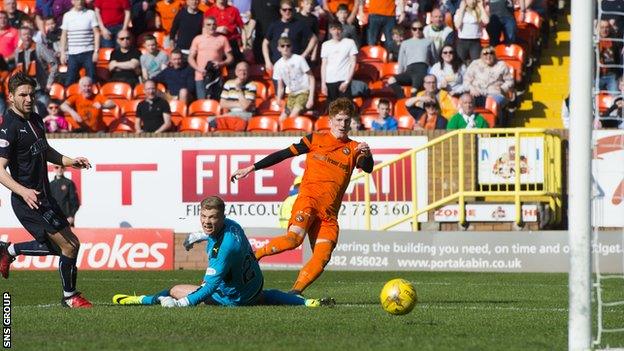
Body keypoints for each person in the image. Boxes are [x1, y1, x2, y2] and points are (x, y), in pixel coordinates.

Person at [231, 97, 374, 295]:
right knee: (293, 239)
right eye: (339, 120)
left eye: (347, 121)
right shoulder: (315, 139)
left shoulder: (354, 148)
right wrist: (252, 168)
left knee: (323, 257)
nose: (343, 125)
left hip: (329, 215)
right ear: (330, 121)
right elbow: (283, 154)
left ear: (352, 122)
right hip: (308, 201)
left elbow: (367, 169)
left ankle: (295, 292)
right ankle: (255, 255)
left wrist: (367, 155)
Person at [112, 196, 334, 307]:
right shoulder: (233, 225)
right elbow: (214, 234)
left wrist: (181, 304)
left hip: (234, 299)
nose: (207, 222)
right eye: (204, 217)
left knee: (174, 289)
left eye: (212, 218)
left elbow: (209, 288)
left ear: (221, 217)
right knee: (267, 296)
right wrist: (199, 236)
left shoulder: (222, 250)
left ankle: (141, 299)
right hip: (255, 287)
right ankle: (306, 302)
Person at [0, 72, 93, 308]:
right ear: (11, 97)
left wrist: (70, 161)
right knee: (69, 246)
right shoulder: (9, 126)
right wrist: (22, 191)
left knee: (69, 245)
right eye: (23, 95)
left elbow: (46, 149)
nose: (29, 99)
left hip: (44, 197)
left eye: (31, 94)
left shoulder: (36, 119)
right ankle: (70, 297)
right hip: (28, 201)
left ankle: (9, 250)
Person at [262, 0, 317, 71]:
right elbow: (265, 43)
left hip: (295, 65)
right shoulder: (274, 25)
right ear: (280, 11)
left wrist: (304, 55)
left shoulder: (300, 24)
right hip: (278, 65)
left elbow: (314, 38)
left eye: (290, 9)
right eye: (284, 10)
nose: (287, 12)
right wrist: (267, 61)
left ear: (293, 10)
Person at [188, 16, 233, 99]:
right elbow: (190, 58)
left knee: (216, 102)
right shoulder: (197, 39)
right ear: (204, 26)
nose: (211, 27)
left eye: (214, 24)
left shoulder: (223, 39)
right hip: (201, 75)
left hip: (216, 75)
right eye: (208, 24)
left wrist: (221, 64)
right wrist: (198, 69)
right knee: (202, 102)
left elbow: (230, 58)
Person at [387, 19, 435, 98]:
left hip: (421, 69)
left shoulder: (429, 41)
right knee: (391, 80)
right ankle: (402, 100)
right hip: (409, 71)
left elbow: (434, 59)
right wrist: (400, 73)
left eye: (420, 29)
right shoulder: (405, 43)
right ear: (411, 30)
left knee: (414, 91)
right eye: (414, 29)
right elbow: (401, 61)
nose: (417, 31)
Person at [463, 46, 514, 117]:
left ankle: (496, 124)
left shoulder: (501, 65)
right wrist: (471, 88)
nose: (488, 56)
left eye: (491, 53)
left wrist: (502, 88)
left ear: (495, 55)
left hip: (495, 94)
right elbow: (466, 80)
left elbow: (510, 81)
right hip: (477, 94)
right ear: (481, 55)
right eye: (485, 54)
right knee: (464, 102)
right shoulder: (475, 64)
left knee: (492, 104)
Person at [272, 37, 315, 120]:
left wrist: (311, 98)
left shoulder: (299, 59)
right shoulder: (278, 65)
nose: (285, 48)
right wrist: (278, 100)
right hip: (292, 94)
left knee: (292, 117)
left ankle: (307, 111)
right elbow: (280, 87)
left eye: (288, 45)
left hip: (304, 92)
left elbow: (311, 77)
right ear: (278, 48)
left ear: (291, 47)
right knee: (281, 119)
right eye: (282, 46)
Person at [60, 0, 100, 86]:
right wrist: (62, 53)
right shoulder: (67, 16)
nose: (80, 2)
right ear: (72, 1)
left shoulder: (91, 13)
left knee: (91, 79)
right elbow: (64, 35)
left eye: (81, 0)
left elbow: (96, 33)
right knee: (70, 80)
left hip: (88, 53)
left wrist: (96, 51)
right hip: (73, 54)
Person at [320, 21, 357, 103]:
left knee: (346, 108)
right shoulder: (325, 45)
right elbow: (324, 65)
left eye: (338, 29)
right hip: (330, 80)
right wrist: (323, 83)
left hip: (343, 79)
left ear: (342, 30)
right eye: (333, 29)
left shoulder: (350, 42)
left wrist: (347, 81)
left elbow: (353, 63)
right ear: (330, 31)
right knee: (333, 109)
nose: (336, 32)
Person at [204, 0, 244, 64]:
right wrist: (216, 29)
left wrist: (244, 44)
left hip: (232, 43)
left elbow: (242, 28)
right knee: (217, 68)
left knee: (234, 68)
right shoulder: (209, 11)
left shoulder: (234, 10)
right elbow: (204, 30)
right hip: (216, 44)